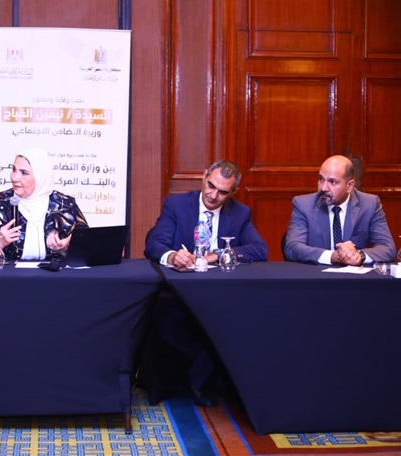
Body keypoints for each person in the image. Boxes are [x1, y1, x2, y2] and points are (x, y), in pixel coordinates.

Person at [141, 159, 268, 407]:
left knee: (241, 320)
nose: (213, 195)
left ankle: (201, 381)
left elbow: (259, 250)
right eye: (211, 186)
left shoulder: (240, 213)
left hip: (222, 294)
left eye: (223, 192)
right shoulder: (177, 204)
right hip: (180, 292)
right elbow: (154, 244)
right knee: (167, 317)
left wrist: (214, 255)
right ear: (204, 176)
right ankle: (190, 379)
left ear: (233, 192)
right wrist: (172, 256)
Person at [0, 147, 88, 262]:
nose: (15, 177)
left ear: (40, 176)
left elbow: (88, 250)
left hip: (53, 276)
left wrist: (65, 248)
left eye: (24, 173)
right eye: (14, 170)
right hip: (9, 276)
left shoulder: (64, 205)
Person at [284, 155, 396, 265]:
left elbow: (387, 248)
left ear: (350, 186)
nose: (323, 188)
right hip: (316, 274)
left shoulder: (369, 204)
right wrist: (333, 256)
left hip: (354, 275)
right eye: (321, 179)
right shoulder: (303, 204)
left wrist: (359, 256)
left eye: (332, 182)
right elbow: (292, 248)